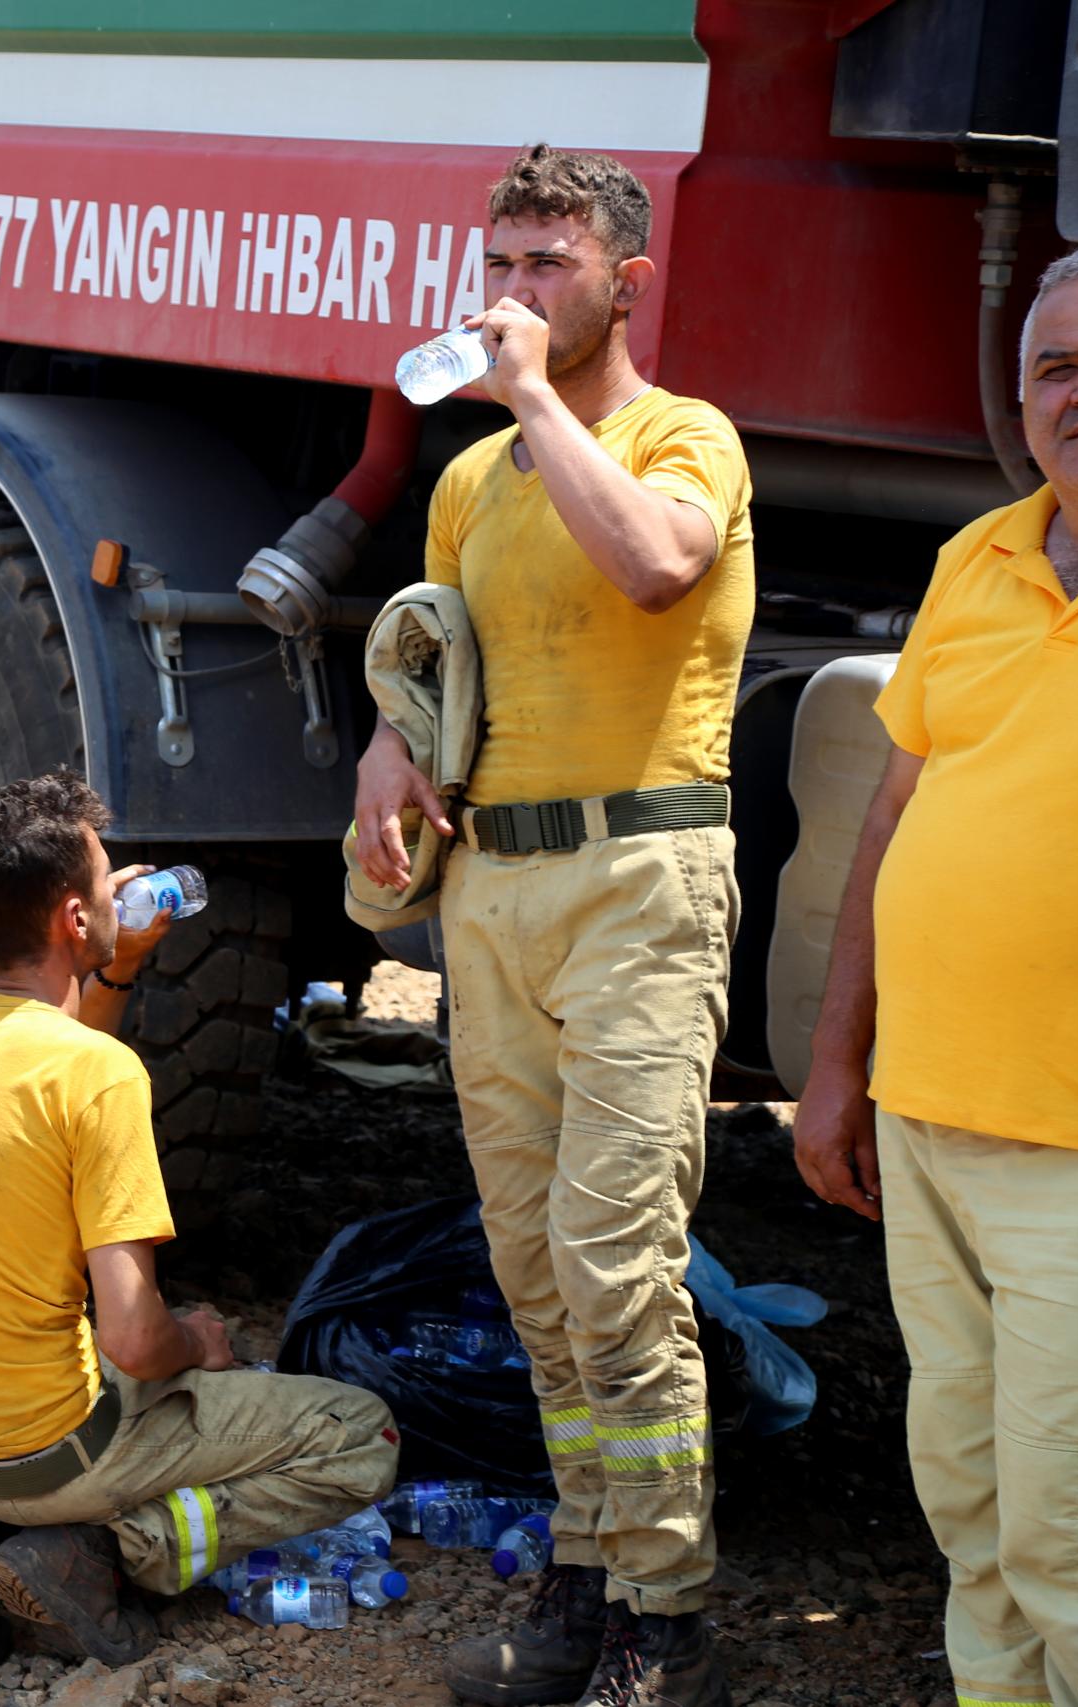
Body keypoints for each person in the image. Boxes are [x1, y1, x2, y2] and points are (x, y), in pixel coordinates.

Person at [352, 145, 753, 1707]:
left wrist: (533, 400)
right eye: (500, 266)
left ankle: (672, 1621)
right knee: (529, 1262)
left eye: (550, 268)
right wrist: (389, 743)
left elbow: (657, 568)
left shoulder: (681, 438)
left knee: (614, 1254)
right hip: (495, 892)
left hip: (641, 882)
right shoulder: (462, 488)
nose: (514, 296)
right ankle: (590, 1574)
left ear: (624, 284)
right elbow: (432, 670)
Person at [0, 773, 398, 1669]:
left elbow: (51, 1058)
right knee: (362, 1435)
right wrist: (197, 1341)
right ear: (75, 918)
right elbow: (133, 1340)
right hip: (51, 1457)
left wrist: (115, 964)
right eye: (105, 877)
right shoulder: (103, 1079)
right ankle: (109, 1555)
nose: (121, 888)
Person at [792, 252, 1078, 1707]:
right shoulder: (977, 558)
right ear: (1022, 396)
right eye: (1055, 368)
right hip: (925, 1128)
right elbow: (894, 821)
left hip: (1073, 1157)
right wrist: (837, 1065)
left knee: (1069, 1540)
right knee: (971, 1519)